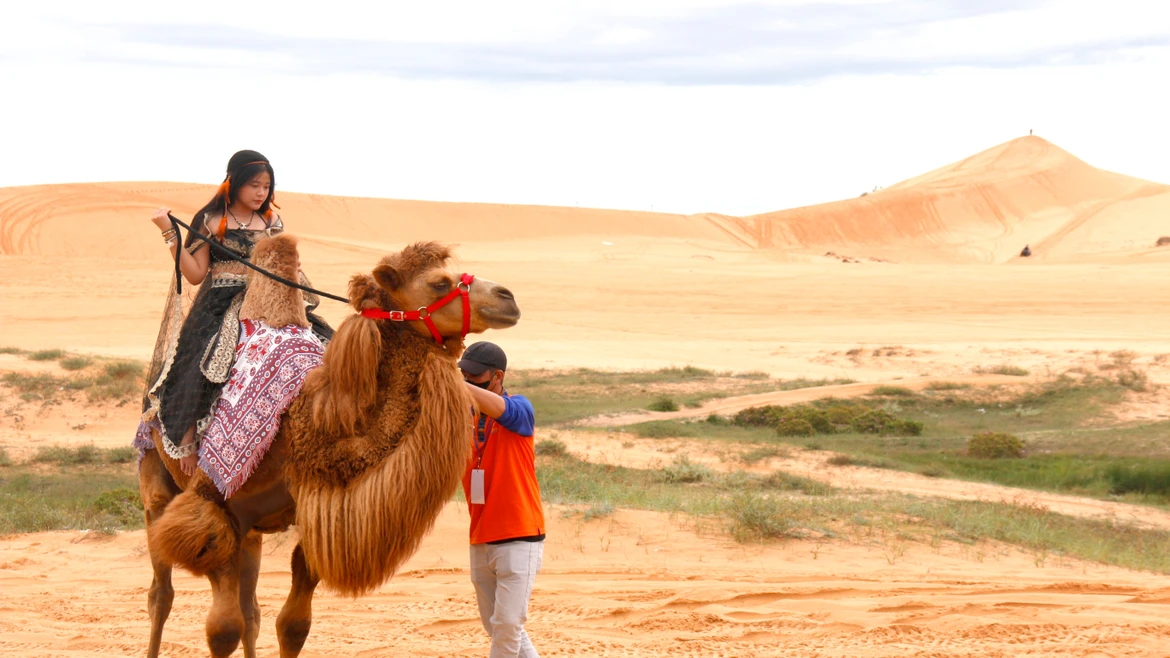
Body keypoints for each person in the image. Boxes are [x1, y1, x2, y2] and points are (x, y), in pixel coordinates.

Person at [133, 150, 332, 477]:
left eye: (267, 186)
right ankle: (188, 439)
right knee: (202, 358)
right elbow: (196, 274)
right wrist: (169, 233)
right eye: (254, 185)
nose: (261, 193)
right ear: (235, 182)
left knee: (322, 343)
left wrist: (291, 266)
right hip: (221, 300)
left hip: (269, 298)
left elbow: (282, 262)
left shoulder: (272, 222)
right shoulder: (211, 221)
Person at [459, 341, 545, 658]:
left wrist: (456, 385)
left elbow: (499, 409)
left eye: (475, 376)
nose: (467, 381)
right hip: (480, 536)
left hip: (519, 536)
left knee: (507, 626)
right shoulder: (463, 420)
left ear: (497, 377)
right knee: (499, 627)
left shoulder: (521, 410)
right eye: (463, 374)